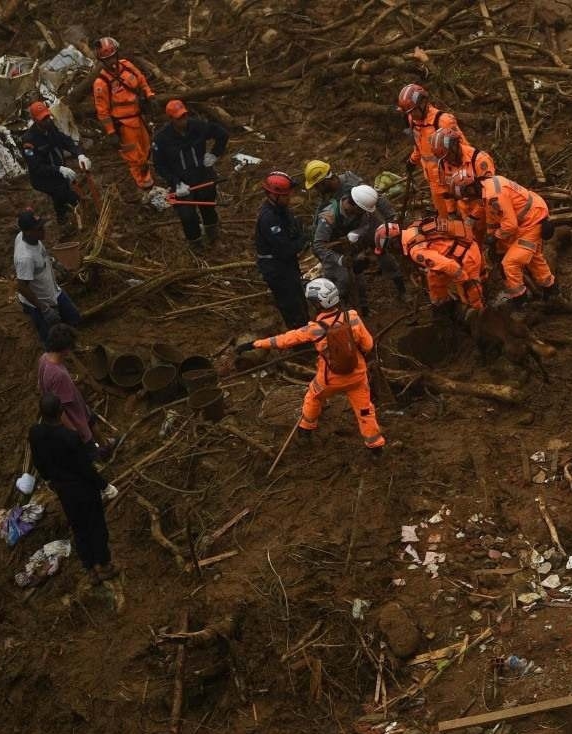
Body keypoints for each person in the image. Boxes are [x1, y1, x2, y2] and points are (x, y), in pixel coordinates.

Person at [236, 279, 385, 454]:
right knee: (365, 410)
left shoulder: (314, 329)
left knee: (313, 397)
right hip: (358, 376)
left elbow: (284, 340)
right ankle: (376, 447)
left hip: (329, 379)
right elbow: (368, 345)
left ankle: (305, 430)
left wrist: (256, 344)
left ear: (317, 304)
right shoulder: (352, 317)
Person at [29, 393, 119, 584]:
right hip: (84, 489)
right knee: (96, 526)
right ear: (61, 412)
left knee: (79, 528)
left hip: (63, 491)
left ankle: (90, 570)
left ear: (41, 413)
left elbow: (38, 462)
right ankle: (104, 565)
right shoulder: (70, 437)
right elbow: (85, 469)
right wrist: (105, 485)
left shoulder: (35, 433)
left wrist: (49, 481)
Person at [450, 169, 557, 305]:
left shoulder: (494, 196)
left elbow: (510, 226)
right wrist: (475, 224)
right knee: (534, 259)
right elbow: (489, 213)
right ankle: (551, 291)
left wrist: (494, 237)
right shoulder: (486, 187)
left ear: (470, 189)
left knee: (509, 263)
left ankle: (520, 301)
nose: (467, 200)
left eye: (466, 195)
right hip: (527, 219)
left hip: (531, 223)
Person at [311, 184, 403, 313]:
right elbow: (318, 245)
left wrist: (356, 235)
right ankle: (338, 314)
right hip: (330, 252)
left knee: (358, 276)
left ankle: (363, 309)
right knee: (343, 280)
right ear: (351, 203)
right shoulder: (328, 217)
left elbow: (365, 226)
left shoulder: (360, 212)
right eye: (360, 210)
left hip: (348, 246)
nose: (362, 213)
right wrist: (339, 260)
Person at [151, 99, 229, 248]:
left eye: (185, 115)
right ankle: (196, 244)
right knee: (187, 216)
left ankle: (213, 236)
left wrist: (214, 154)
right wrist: (175, 182)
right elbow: (159, 165)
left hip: (202, 175)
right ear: (171, 119)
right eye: (179, 118)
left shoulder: (198, 126)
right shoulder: (161, 139)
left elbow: (222, 134)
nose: (183, 120)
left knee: (208, 207)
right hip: (181, 183)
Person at [38, 324, 117, 461]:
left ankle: (105, 444)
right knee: (87, 442)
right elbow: (61, 411)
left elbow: (41, 385)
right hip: (73, 416)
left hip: (78, 406)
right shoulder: (58, 375)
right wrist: (73, 431)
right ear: (65, 349)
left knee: (92, 422)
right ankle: (100, 458)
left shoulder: (44, 358)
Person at [375, 220, 484, 316]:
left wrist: (464, 282)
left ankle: (477, 313)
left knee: (470, 292)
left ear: (393, 242)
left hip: (466, 256)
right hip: (455, 249)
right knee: (433, 278)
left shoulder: (416, 251)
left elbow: (450, 266)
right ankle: (443, 307)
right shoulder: (412, 228)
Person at [91, 36, 156, 192]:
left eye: (113, 56)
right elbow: (103, 111)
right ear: (102, 61)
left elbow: (141, 79)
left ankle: (148, 177)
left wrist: (149, 94)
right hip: (124, 125)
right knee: (135, 158)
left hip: (139, 118)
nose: (111, 61)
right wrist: (111, 132)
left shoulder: (127, 66)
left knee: (147, 149)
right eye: (107, 59)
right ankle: (144, 186)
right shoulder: (101, 83)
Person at [398, 83, 468, 218]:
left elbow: (464, 150)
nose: (412, 115)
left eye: (414, 111)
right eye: (409, 112)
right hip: (434, 183)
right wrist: (413, 160)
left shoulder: (443, 121)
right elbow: (419, 146)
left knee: (465, 220)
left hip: (452, 183)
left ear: (423, 103)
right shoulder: (412, 119)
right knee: (445, 220)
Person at [14, 209, 80, 343]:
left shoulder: (26, 236)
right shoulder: (25, 258)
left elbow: (41, 255)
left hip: (53, 291)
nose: (43, 230)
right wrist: (44, 309)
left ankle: (71, 343)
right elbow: (22, 287)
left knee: (74, 318)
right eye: (39, 228)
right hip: (39, 301)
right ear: (28, 232)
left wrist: (54, 263)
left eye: (42, 225)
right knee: (51, 339)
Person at [20, 100, 90, 226]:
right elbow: (36, 167)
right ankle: (75, 218)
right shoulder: (29, 141)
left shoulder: (51, 127)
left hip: (58, 172)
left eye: (48, 117)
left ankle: (62, 219)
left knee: (60, 195)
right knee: (68, 196)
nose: (47, 120)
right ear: (35, 120)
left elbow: (66, 141)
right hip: (43, 179)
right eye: (43, 119)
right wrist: (59, 169)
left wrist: (80, 154)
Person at [255, 171, 309, 328]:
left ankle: (306, 329)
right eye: (285, 195)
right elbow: (285, 249)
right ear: (273, 195)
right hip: (277, 268)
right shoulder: (269, 218)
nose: (289, 198)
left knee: (299, 300)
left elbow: (294, 231)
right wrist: (305, 239)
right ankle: (300, 340)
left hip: (287, 265)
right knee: (291, 305)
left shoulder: (282, 211)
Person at [430, 127, 495, 241]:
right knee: (472, 243)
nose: (447, 161)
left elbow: (490, 193)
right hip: (465, 210)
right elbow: (447, 191)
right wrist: (451, 212)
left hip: (486, 211)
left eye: (448, 156)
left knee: (496, 244)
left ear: (455, 146)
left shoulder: (479, 160)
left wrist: (474, 216)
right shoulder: (443, 162)